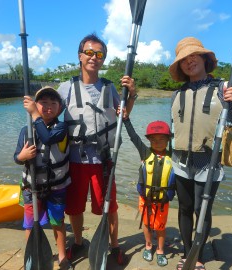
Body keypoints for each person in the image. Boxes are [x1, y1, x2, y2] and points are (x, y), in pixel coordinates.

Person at [168, 37, 232, 270]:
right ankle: (187, 254)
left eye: (194, 55)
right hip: (181, 161)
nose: (189, 61)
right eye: (183, 59)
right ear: (180, 66)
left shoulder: (224, 88)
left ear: (205, 59)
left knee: (201, 209)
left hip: (209, 161)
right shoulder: (177, 94)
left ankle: (199, 257)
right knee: (184, 208)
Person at [57, 33, 137, 265]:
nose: (94, 57)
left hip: (103, 160)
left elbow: (124, 114)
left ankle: (113, 246)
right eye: (89, 53)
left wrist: (131, 94)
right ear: (80, 56)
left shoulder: (111, 88)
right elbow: (48, 112)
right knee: (74, 207)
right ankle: (80, 242)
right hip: (75, 159)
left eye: (99, 54)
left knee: (109, 206)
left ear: (103, 60)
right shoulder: (66, 87)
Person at [14, 86, 73, 269]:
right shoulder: (26, 130)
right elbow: (16, 157)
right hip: (32, 187)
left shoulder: (61, 127)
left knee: (58, 222)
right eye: (43, 103)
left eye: (53, 103)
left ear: (60, 108)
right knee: (30, 224)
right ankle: (32, 255)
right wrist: (21, 157)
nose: (48, 106)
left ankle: (62, 256)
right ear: (35, 104)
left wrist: (34, 115)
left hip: (56, 187)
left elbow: (47, 138)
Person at [122, 118, 175, 267]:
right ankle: (148, 245)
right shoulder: (145, 152)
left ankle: (160, 250)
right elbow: (133, 137)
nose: (158, 142)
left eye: (162, 139)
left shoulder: (173, 156)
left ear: (168, 140)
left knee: (160, 226)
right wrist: (126, 120)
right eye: (154, 139)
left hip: (163, 200)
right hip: (146, 199)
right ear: (149, 140)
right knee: (147, 223)